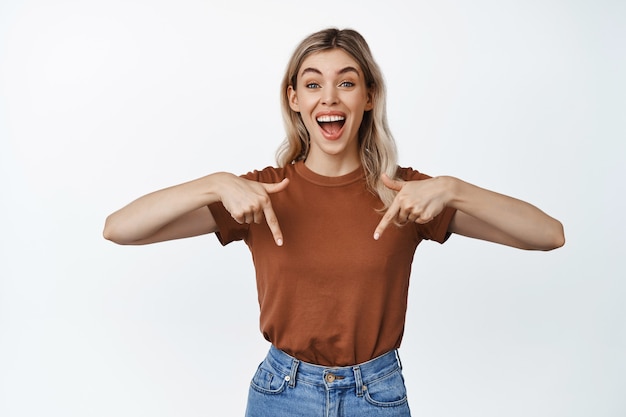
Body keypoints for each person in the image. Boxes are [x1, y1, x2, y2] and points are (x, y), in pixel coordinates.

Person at [103, 28, 564, 417]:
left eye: (346, 83)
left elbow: (549, 235)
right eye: (312, 84)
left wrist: (455, 189)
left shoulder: (406, 194)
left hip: (376, 394)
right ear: (295, 98)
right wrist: (212, 184)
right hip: (281, 393)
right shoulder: (260, 193)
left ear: (368, 97)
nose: (329, 97)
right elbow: (120, 228)